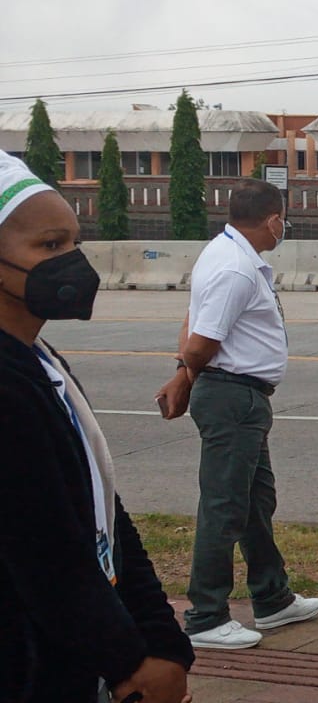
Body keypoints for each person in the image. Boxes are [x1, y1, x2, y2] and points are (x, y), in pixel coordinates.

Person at [0, 150, 195, 702]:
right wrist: (130, 661)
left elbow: (101, 509)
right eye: (49, 247)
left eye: (74, 243)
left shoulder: (38, 358)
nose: (73, 264)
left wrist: (160, 640)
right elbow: (44, 555)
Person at [154, 179, 318, 650]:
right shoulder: (236, 269)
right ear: (272, 220)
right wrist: (185, 377)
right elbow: (202, 342)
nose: (283, 228)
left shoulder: (226, 254)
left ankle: (272, 598)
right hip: (233, 397)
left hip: (242, 397)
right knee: (224, 507)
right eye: (283, 220)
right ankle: (206, 616)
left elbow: (195, 323)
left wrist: (184, 376)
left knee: (254, 504)